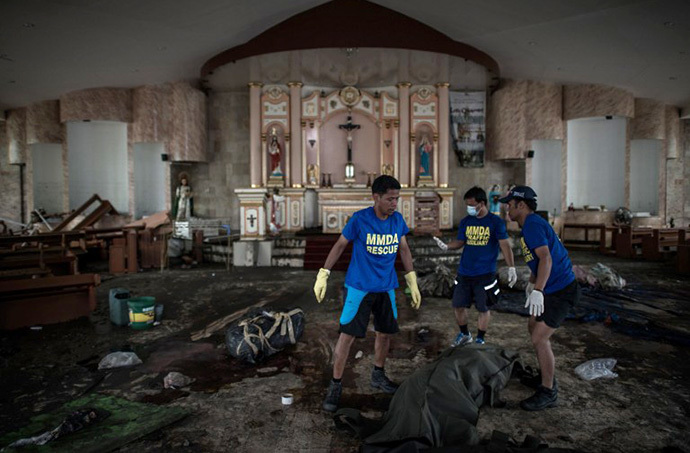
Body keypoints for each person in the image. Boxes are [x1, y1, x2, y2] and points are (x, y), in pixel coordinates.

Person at [313, 175, 422, 413]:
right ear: (376, 197)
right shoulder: (360, 219)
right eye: (390, 199)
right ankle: (336, 384)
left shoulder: (397, 221)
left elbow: (404, 248)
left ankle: (378, 375)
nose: (395, 204)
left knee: (384, 334)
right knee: (347, 336)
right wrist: (324, 273)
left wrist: (411, 280)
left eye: (397, 199)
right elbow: (340, 244)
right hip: (359, 288)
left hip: (386, 287)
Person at [499, 186, 579, 411]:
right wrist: (532, 283)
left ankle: (548, 391)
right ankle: (546, 376)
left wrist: (538, 290)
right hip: (551, 288)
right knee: (533, 324)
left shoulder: (532, 225)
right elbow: (537, 262)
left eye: (510, 204)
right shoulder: (530, 225)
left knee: (539, 338)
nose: (507, 208)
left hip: (561, 291)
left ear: (521, 205)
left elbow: (546, 259)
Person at [433, 186, 517, 346]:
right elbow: (460, 242)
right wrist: (446, 246)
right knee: (458, 305)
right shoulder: (466, 221)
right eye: (467, 205)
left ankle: (480, 338)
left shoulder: (495, 222)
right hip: (465, 271)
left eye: (472, 205)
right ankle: (465, 334)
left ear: (482, 203)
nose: (469, 208)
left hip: (485, 272)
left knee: (483, 308)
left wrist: (511, 267)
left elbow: (505, 246)